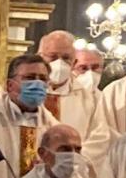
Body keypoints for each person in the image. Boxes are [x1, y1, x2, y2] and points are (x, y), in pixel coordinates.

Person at [37, 29, 112, 164]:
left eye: (66, 58)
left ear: (74, 61)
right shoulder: (26, 94)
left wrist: (73, 159)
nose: (59, 63)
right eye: (53, 57)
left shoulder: (91, 98)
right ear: (40, 57)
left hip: (73, 170)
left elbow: (101, 136)